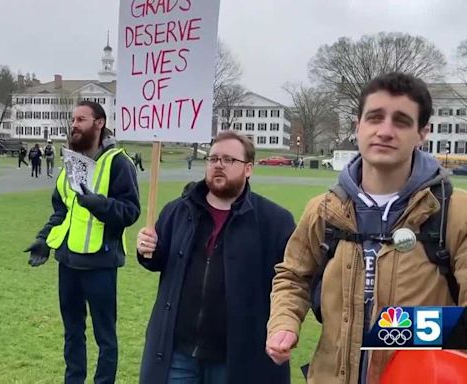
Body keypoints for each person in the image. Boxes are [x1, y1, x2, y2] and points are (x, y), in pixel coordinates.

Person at [266, 72, 467, 384]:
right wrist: (284, 322)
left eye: (401, 121)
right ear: (357, 125)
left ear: (422, 133)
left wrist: (386, 329)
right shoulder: (323, 210)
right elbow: (292, 276)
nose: (385, 131)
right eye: (375, 117)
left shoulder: (456, 212)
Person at [137, 130, 295, 384]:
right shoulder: (178, 211)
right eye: (213, 159)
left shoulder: (275, 221)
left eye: (229, 160)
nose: (218, 165)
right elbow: (156, 260)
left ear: (248, 169)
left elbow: (293, 282)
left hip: (237, 358)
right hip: (178, 354)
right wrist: (147, 249)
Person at [25, 100, 140, 384]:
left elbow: (130, 212)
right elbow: (62, 211)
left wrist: (98, 204)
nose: (74, 125)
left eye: (81, 119)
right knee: (72, 332)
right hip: (68, 262)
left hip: (101, 263)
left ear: (99, 123)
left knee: (105, 337)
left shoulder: (119, 163)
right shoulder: (71, 162)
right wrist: (44, 239)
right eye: (73, 120)